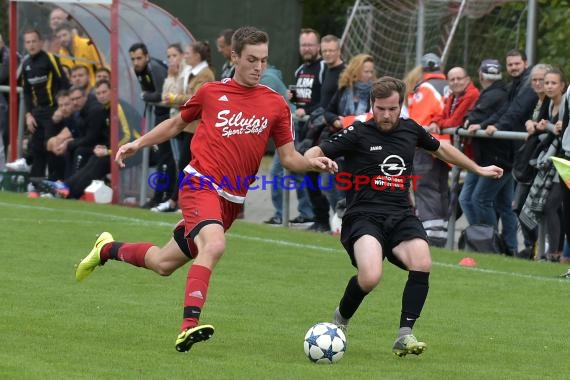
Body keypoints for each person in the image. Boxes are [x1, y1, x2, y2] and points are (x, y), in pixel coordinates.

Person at [74, 26, 337, 353]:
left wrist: (314, 163)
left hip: (231, 200)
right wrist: (137, 144)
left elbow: (289, 158)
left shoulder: (275, 104)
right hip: (200, 184)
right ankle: (188, 326)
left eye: (264, 60)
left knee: (162, 263)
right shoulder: (211, 92)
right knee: (214, 245)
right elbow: (175, 124)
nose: (258, 67)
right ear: (234, 57)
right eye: (252, 59)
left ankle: (105, 249)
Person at [304, 76, 503, 356]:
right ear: (372, 105)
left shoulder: (411, 130)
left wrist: (478, 168)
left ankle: (404, 334)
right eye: (381, 108)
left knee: (422, 260)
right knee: (371, 276)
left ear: (402, 105)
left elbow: (443, 149)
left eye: (392, 109)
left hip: (400, 214)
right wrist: (314, 160)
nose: (386, 115)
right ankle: (340, 319)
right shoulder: (358, 132)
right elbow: (315, 151)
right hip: (364, 216)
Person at [152, 41, 215, 213]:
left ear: (197, 56)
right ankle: (177, 201)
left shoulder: (205, 74)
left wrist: (173, 99)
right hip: (188, 125)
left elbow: (195, 98)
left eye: (188, 53)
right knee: (184, 164)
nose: (185, 56)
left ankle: (180, 202)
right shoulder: (192, 72)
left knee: (188, 166)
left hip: (196, 126)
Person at [6, 29, 69, 179]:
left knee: (50, 147)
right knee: (36, 147)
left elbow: (64, 84)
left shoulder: (51, 59)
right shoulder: (26, 63)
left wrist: (61, 109)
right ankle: (35, 183)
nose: (31, 45)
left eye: (34, 41)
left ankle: (55, 183)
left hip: (53, 111)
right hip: (37, 112)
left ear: (41, 43)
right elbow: (26, 92)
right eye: (28, 42)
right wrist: (28, 114)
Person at [405, 53, 449, 247]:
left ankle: (430, 233)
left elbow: (418, 122)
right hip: (447, 147)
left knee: (425, 187)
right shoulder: (448, 85)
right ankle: (441, 231)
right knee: (441, 188)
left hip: (427, 146)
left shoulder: (425, 88)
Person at [129, 42, 176, 208]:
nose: (136, 62)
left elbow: (161, 95)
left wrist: (145, 95)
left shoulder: (154, 68)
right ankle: (160, 197)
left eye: (139, 58)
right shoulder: (139, 70)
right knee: (161, 157)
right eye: (133, 59)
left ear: (147, 57)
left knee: (167, 158)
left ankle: (164, 197)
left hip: (168, 116)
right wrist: (147, 96)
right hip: (159, 115)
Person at [55, 22, 102, 86]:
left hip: (93, 87)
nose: (62, 39)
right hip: (77, 91)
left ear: (71, 34)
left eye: (64, 35)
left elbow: (101, 65)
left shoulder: (88, 43)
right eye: (59, 37)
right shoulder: (61, 54)